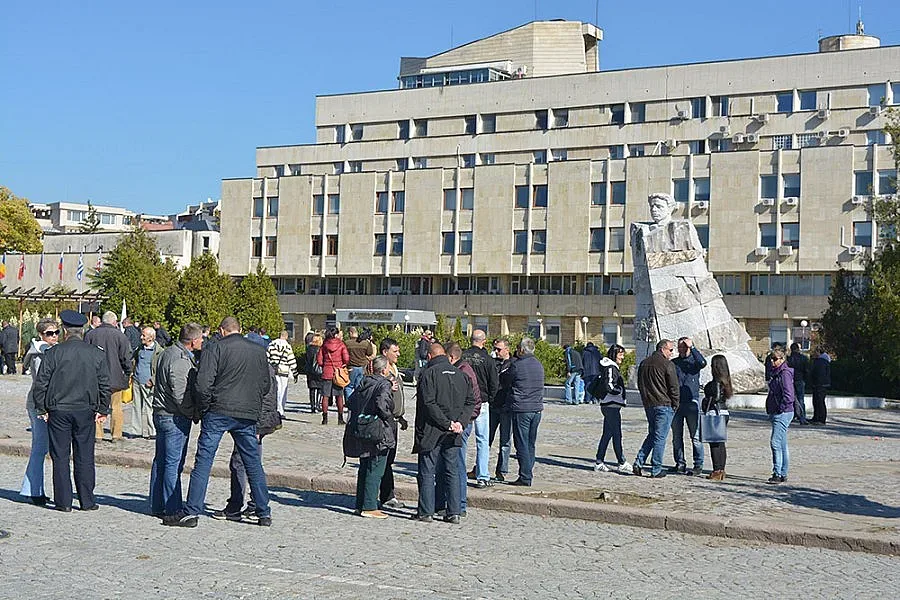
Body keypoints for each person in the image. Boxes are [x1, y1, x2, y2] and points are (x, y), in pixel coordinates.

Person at [166, 316, 272, 528]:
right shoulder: (258, 350)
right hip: (247, 413)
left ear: (222, 331)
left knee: (204, 462)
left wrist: (205, 408)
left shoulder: (215, 348)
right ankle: (263, 512)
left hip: (218, 411)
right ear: (239, 329)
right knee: (253, 463)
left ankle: (192, 511)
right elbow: (266, 384)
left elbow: (203, 384)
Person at [32, 310, 111, 512]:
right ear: (82, 330)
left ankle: (64, 502)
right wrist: (103, 409)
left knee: (60, 456)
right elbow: (104, 384)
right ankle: (87, 500)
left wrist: (41, 407)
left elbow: (42, 383)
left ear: (65, 331)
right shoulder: (95, 353)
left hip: (59, 409)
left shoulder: (54, 353)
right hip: (85, 409)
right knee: (85, 456)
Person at [412, 343, 475, 523]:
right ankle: (453, 512)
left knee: (427, 470)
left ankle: (426, 511)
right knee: (452, 470)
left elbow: (429, 403)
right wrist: (460, 423)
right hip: (454, 430)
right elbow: (471, 401)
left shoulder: (428, 374)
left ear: (430, 357)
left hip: (432, 429)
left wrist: (447, 423)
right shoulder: (461, 375)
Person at [212, 363, 281, 523]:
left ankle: (239, 506)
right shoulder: (261, 366)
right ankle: (255, 505)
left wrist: (257, 428)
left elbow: (267, 400)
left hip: (253, 424)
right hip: (252, 422)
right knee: (250, 463)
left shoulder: (261, 368)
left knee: (241, 463)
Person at [148, 323, 203, 519]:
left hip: (162, 413)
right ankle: (172, 507)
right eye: (201, 339)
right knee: (172, 463)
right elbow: (180, 393)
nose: (203, 342)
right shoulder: (180, 359)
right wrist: (192, 413)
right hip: (173, 415)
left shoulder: (167, 352)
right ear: (193, 341)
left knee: (161, 461)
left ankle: (157, 503)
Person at [343, 356, 396, 519]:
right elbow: (382, 405)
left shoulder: (363, 381)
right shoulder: (384, 384)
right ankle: (370, 506)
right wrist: (388, 416)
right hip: (378, 430)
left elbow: (351, 401)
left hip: (362, 428)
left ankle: (360, 504)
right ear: (384, 369)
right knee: (376, 468)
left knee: (365, 466)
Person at [19, 318, 60, 505]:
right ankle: (34, 490)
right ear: (41, 335)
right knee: (40, 447)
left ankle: (32, 488)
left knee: (41, 447)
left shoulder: (47, 351)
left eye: (56, 332)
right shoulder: (39, 353)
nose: (54, 336)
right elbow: (42, 383)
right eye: (50, 333)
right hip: (38, 404)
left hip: (43, 403)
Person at [442, 342, 483, 516]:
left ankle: (459, 504)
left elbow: (473, 402)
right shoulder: (463, 369)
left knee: (457, 464)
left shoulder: (462, 372)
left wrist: (462, 422)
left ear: (451, 357)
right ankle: (454, 502)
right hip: (461, 421)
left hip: (462, 423)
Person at [633, 339, 679, 478]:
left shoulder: (644, 363)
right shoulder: (667, 364)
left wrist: (645, 400)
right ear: (662, 349)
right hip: (664, 404)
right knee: (660, 437)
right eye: (670, 350)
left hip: (649, 404)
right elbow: (674, 386)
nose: (672, 353)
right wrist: (675, 403)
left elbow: (640, 384)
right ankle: (656, 468)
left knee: (653, 434)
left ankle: (639, 462)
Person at [84, 311, 132, 443]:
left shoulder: (91, 334)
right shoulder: (120, 336)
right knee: (116, 406)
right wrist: (128, 372)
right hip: (115, 377)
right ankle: (116, 434)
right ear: (114, 322)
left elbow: (85, 355)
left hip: (95, 377)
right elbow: (125, 357)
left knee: (96, 404)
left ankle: (97, 434)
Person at [460, 329, 498, 488]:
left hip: (464, 403)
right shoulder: (488, 359)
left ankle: (460, 472)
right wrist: (490, 398)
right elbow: (494, 383)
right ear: (484, 341)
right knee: (483, 440)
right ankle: (483, 476)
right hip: (481, 402)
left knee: (461, 438)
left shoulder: (462, 356)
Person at [505, 337, 545, 487]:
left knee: (521, 443)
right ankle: (528, 471)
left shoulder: (518, 365)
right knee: (530, 443)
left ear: (521, 350)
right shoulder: (538, 364)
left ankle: (525, 476)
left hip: (522, 408)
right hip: (536, 408)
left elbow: (507, 380)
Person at [378, 337, 408, 510]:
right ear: (385, 352)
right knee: (385, 459)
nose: (398, 354)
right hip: (385, 422)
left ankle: (387, 494)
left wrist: (401, 416)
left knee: (390, 458)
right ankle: (387, 495)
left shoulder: (394, 369)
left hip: (394, 420)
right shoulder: (381, 372)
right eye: (395, 351)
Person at [592, 344, 631, 474]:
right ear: (614, 354)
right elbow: (609, 385)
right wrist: (618, 390)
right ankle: (621, 462)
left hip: (610, 404)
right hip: (611, 405)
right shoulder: (610, 367)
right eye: (620, 354)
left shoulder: (610, 366)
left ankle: (599, 461)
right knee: (616, 434)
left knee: (608, 434)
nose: (623, 357)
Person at [671, 337, 707, 476]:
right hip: (677, 404)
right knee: (676, 436)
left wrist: (692, 347)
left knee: (695, 437)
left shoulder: (694, 362)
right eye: (680, 347)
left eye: (684, 347)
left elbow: (702, 362)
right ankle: (680, 463)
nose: (682, 349)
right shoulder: (674, 363)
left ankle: (698, 464)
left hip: (692, 402)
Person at [702, 354, 733, 481]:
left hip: (715, 412)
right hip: (723, 411)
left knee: (714, 443)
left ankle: (717, 470)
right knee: (720, 443)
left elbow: (714, 397)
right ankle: (721, 470)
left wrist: (706, 398)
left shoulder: (716, 383)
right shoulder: (726, 381)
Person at [766, 346, 795, 484]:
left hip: (783, 412)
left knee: (775, 442)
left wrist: (781, 408)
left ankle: (777, 473)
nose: (772, 362)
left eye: (775, 359)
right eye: (771, 359)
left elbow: (789, 395)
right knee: (782, 443)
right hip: (778, 411)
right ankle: (783, 472)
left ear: (782, 359)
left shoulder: (784, 374)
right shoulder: (776, 372)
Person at [129, 326, 163, 438]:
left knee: (149, 408)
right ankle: (136, 431)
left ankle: (151, 431)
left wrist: (152, 380)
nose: (141, 337)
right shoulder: (139, 348)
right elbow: (134, 360)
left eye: (144, 335)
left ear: (151, 338)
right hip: (137, 380)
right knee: (136, 406)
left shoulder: (158, 352)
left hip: (148, 383)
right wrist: (132, 373)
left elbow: (159, 368)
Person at [490, 338, 515, 482]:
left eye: (499, 349)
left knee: (505, 441)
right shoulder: (493, 363)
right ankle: (480, 468)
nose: (496, 352)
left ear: (507, 349)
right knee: (486, 439)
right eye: (495, 349)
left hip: (506, 407)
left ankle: (502, 470)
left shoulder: (513, 364)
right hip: (493, 405)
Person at [316, 326, 349, 425]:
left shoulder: (324, 345)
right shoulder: (341, 344)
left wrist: (325, 365)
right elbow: (346, 358)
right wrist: (342, 364)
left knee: (325, 396)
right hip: (337, 373)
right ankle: (340, 418)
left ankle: (325, 418)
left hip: (327, 372)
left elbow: (319, 360)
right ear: (336, 334)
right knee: (339, 396)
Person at [266, 330, 299, 417]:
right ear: (286, 336)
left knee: (276, 390)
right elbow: (291, 360)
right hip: (284, 371)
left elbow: (267, 358)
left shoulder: (271, 345)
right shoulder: (287, 347)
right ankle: (281, 410)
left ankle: (275, 408)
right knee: (283, 391)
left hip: (274, 370)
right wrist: (295, 373)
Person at [344, 326, 376, 400]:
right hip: (362, 367)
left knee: (349, 386)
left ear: (351, 333)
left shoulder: (347, 343)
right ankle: (357, 404)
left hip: (351, 367)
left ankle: (349, 404)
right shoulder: (365, 343)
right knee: (359, 387)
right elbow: (370, 353)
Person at [787, 343, 810, 425]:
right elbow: (807, 370)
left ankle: (791, 415)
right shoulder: (803, 358)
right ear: (798, 349)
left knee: (790, 399)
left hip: (790, 380)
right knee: (800, 399)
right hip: (800, 380)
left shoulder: (788, 359)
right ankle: (802, 417)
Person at [809, 347, 831, 425]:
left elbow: (819, 374)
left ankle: (821, 419)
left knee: (820, 402)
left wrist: (816, 383)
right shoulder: (822, 361)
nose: (814, 353)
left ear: (819, 352)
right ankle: (816, 417)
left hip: (820, 385)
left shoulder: (821, 362)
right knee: (816, 401)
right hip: (820, 384)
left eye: (815, 352)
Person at [304, 332, 323, 414]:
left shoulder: (308, 348)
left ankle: (312, 406)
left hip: (310, 370)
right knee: (319, 388)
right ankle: (318, 404)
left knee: (312, 389)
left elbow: (306, 359)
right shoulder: (320, 349)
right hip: (319, 370)